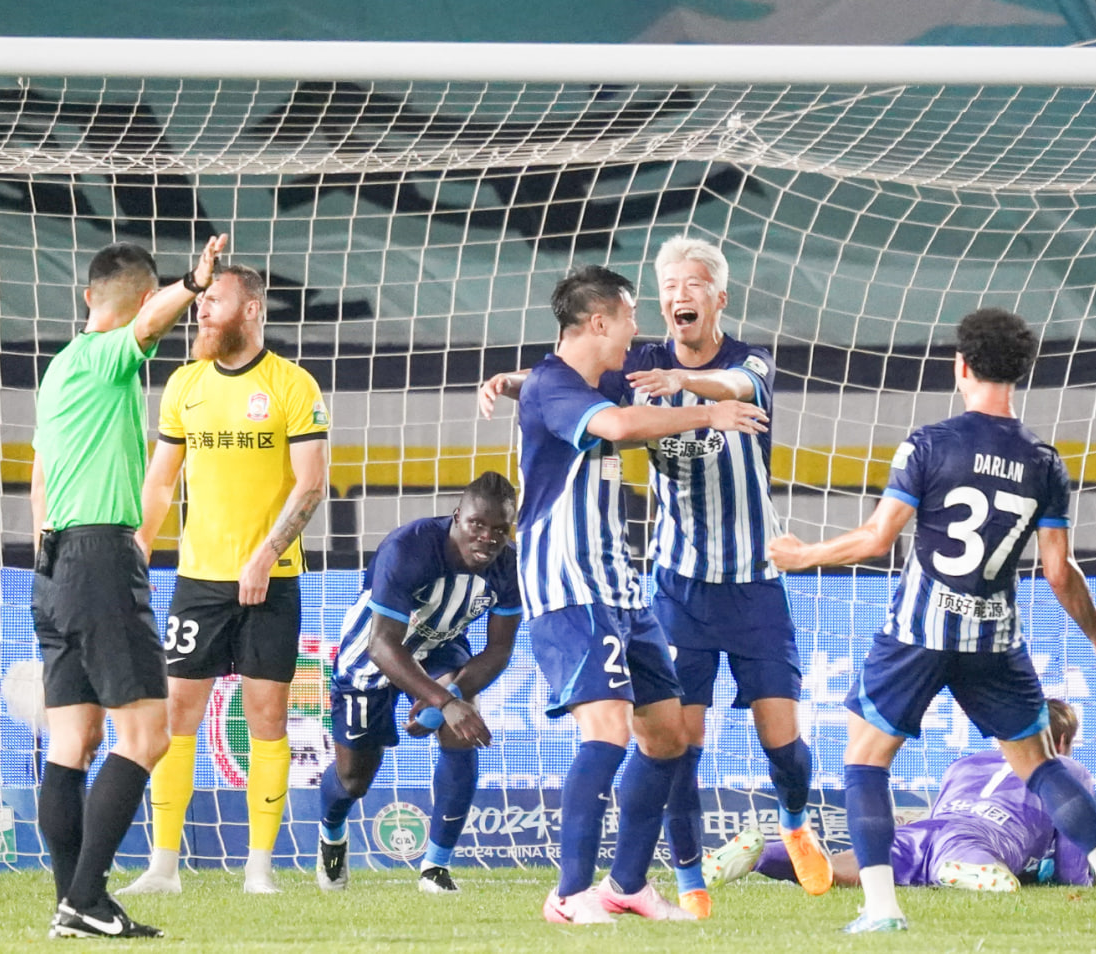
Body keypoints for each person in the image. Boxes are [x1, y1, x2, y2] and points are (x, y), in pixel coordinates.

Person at [767, 307, 1096, 933]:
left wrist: (801, 555)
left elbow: (877, 539)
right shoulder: (1044, 462)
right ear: (1022, 372)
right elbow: (1060, 573)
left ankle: (881, 909)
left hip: (918, 634)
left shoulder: (930, 443)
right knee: (1042, 766)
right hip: (993, 638)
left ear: (961, 366)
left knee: (866, 762)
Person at [480, 237, 832, 918]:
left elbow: (733, 388)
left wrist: (695, 391)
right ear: (609, 320)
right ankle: (607, 890)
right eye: (661, 289)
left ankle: (652, 875)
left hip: (719, 582)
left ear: (718, 297)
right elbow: (589, 398)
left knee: (687, 736)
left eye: (692, 284)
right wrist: (517, 380)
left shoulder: (743, 362)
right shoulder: (632, 369)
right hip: (630, 584)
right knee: (631, 734)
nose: (671, 301)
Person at [515, 264, 769, 924]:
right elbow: (621, 428)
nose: (639, 329)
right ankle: (569, 894)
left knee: (666, 735)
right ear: (600, 321)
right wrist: (710, 411)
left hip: (622, 588)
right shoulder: (555, 386)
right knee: (606, 731)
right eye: (630, 317)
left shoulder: (589, 380)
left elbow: (629, 396)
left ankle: (626, 884)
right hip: (569, 586)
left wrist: (501, 380)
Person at [31, 233, 226, 939]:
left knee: (72, 743)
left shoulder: (56, 373)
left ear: (86, 295)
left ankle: (72, 905)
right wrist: (194, 284)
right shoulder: (107, 356)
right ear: (144, 302)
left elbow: (40, 478)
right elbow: (144, 326)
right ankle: (86, 898)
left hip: (52, 565)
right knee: (148, 736)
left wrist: (52, 560)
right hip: (99, 560)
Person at [119, 264, 331, 895]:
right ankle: (163, 868)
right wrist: (139, 547)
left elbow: (311, 482)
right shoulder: (184, 384)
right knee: (175, 716)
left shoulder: (293, 385)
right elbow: (160, 481)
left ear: (252, 310)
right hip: (199, 581)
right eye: (201, 302)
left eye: (214, 301)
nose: (202, 311)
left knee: (267, 717)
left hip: (272, 578)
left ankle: (259, 869)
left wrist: (267, 554)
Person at [315, 472, 521, 894]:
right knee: (355, 780)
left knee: (463, 731)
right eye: (477, 525)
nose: (487, 538)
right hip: (373, 655)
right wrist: (443, 700)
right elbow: (382, 646)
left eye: (499, 530)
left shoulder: (509, 566)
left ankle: (435, 868)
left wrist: (453, 698)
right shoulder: (408, 548)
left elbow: (499, 650)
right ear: (457, 517)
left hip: (441, 648)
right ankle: (331, 833)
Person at [706, 699, 1095, 892]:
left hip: (927, 828)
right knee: (962, 851)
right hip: (982, 837)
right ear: (1061, 741)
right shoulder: (1067, 771)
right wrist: (1068, 881)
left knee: (849, 867)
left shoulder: (967, 763)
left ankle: (768, 852)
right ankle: (967, 868)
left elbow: (947, 815)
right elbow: (1072, 867)